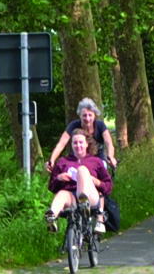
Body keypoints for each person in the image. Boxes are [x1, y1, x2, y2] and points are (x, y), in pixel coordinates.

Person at [49, 97, 120, 231]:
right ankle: (57, 213)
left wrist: (110, 157)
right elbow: (62, 143)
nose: (87, 119)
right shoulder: (74, 126)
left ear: (94, 115)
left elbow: (109, 142)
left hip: (96, 156)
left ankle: (99, 216)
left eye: (90, 115)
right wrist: (52, 159)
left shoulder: (99, 126)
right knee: (74, 171)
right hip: (78, 157)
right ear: (79, 116)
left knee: (99, 174)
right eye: (84, 116)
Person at [46, 129, 114, 235]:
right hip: (71, 196)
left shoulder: (96, 161)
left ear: (87, 144)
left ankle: (84, 203)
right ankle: (52, 217)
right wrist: (59, 178)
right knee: (62, 194)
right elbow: (51, 187)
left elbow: (108, 186)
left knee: (82, 170)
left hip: (91, 196)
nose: (78, 145)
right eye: (75, 143)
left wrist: (96, 182)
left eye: (81, 142)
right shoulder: (63, 162)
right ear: (71, 145)